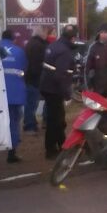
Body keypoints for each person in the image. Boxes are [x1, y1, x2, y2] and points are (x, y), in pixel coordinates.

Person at [40, 24, 77, 158]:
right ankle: (52, 149)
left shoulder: (53, 46)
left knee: (56, 119)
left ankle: (61, 145)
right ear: (73, 38)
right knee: (56, 121)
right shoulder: (65, 51)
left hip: (46, 86)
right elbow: (60, 76)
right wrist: (67, 95)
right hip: (54, 89)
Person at [1, 29, 27, 162]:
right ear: (13, 39)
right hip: (15, 93)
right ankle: (11, 153)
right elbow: (24, 68)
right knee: (13, 121)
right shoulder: (19, 51)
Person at [23, 26, 48, 133]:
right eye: (45, 32)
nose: (46, 35)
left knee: (30, 103)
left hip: (29, 77)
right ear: (41, 33)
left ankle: (31, 122)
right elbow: (38, 64)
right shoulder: (39, 45)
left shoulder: (30, 43)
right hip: (35, 79)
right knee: (32, 103)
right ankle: (29, 126)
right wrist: (41, 76)